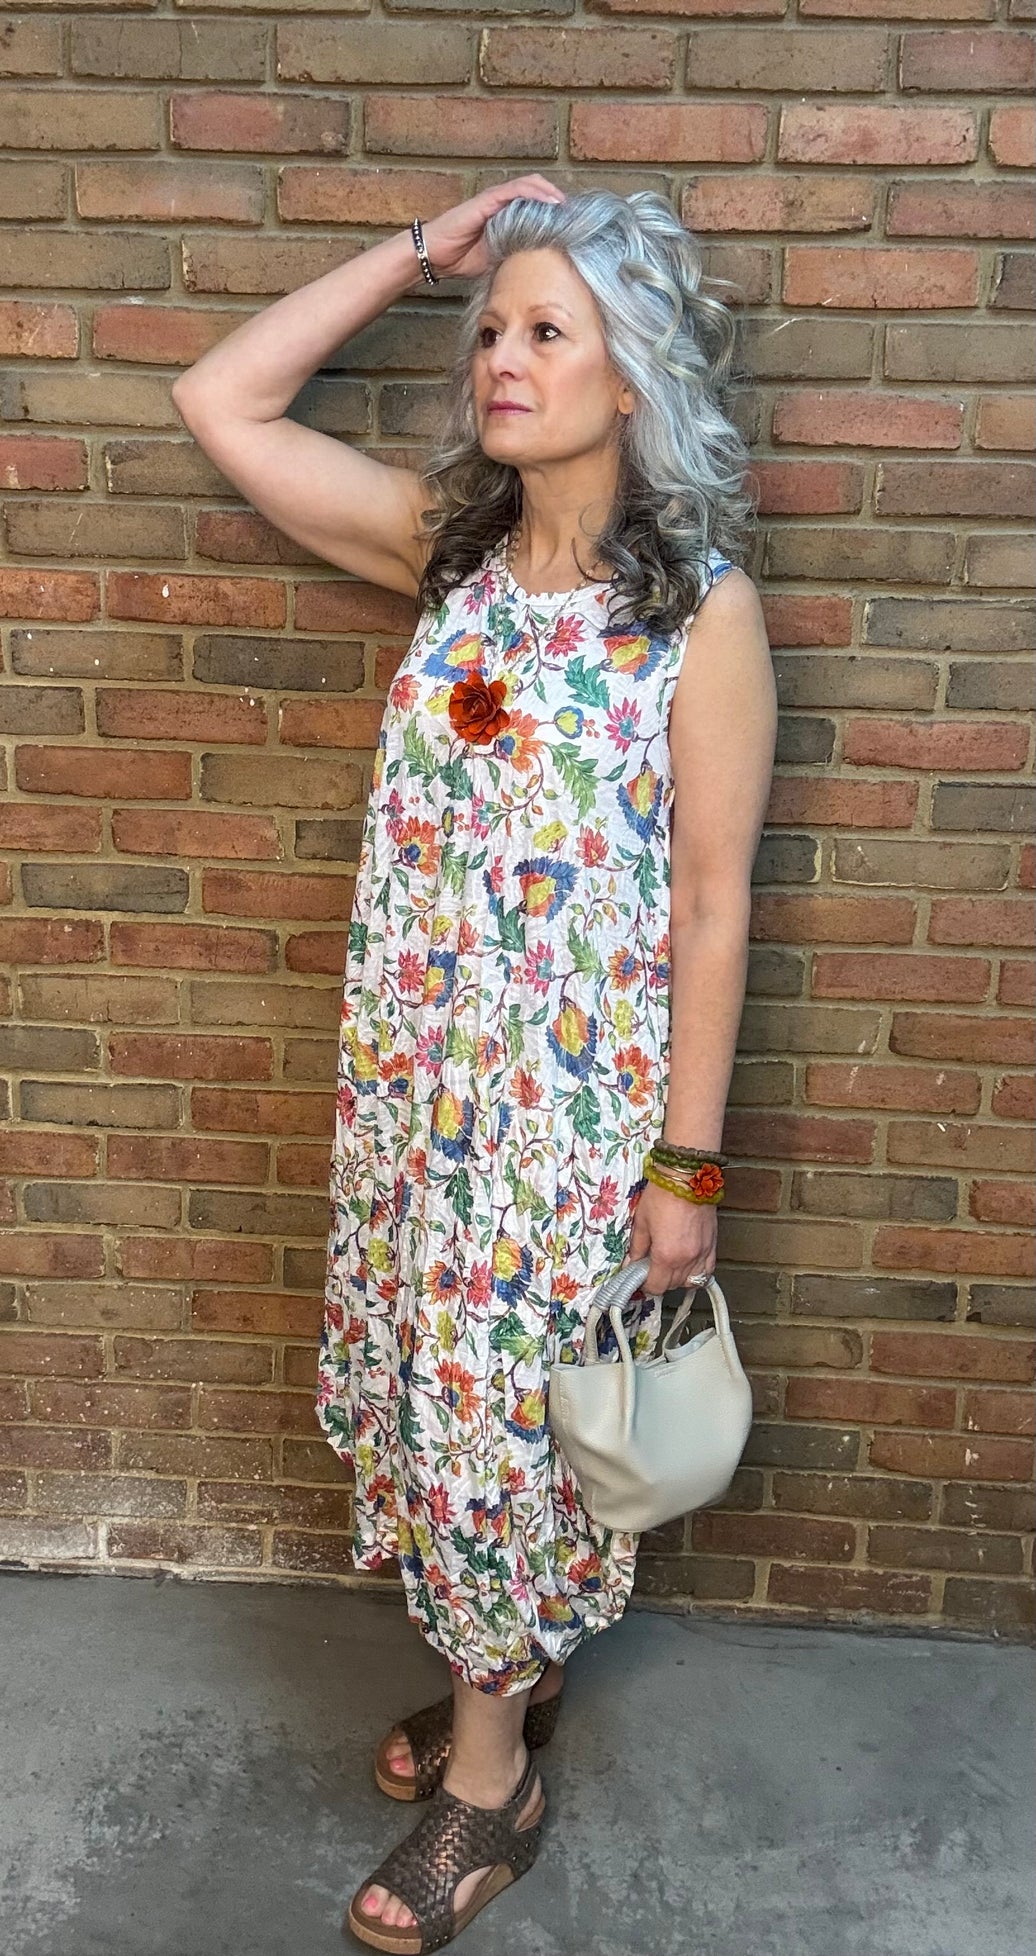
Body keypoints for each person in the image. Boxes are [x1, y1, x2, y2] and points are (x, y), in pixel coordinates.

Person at [172, 178, 776, 1954]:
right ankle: (500, 1688)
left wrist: (686, 1174)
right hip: (418, 1100)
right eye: (491, 330)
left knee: (504, 1448)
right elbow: (224, 404)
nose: (500, 359)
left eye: (546, 330)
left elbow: (717, 907)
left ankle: (492, 1784)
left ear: (634, 372)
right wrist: (420, 252)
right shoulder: (446, 548)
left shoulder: (699, 615)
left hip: (568, 1125)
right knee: (441, 1415)